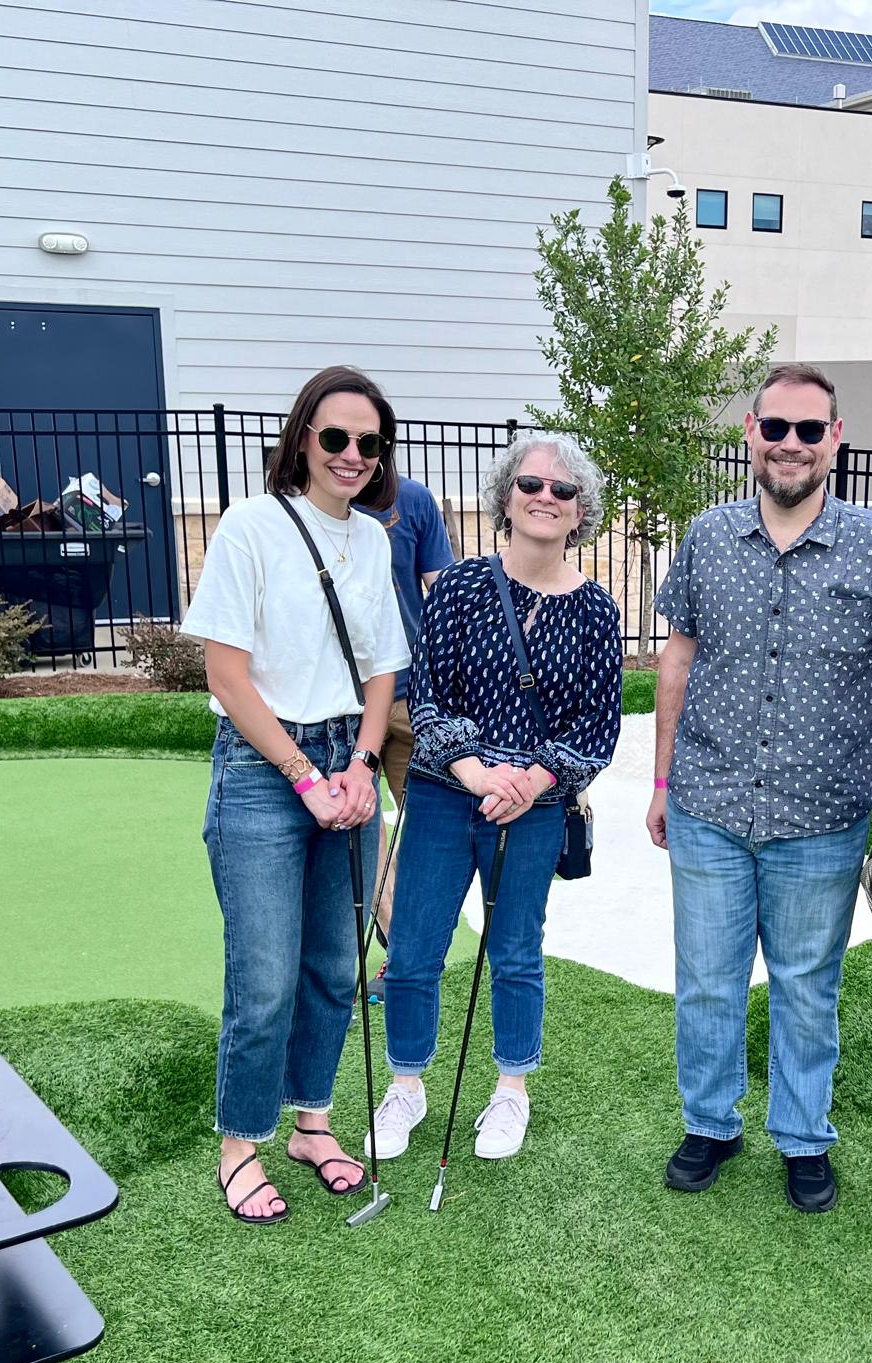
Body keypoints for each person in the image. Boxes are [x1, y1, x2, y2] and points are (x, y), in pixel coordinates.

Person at [648, 362, 872, 1213]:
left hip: (823, 816)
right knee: (706, 978)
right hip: (708, 803)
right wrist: (661, 780)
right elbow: (679, 660)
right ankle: (711, 1124)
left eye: (811, 430)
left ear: (836, 438)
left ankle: (804, 1138)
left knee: (809, 987)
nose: (793, 446)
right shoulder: (707, 537)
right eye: (777, 428)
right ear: (751, 434)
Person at [182, 366, 409, 1224]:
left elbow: (383, 668)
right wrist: (307, 777)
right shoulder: (251, 527)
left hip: (344, 757)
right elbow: (227, 675)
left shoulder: (377, 540)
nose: (352, 455)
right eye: (336, 437)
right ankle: (240, 1142)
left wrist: (355, 764)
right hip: (262, 766)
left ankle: (313, 1121)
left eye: (369, 443)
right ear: (303, 438)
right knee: (266, 972)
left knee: (330, 964)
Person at [372, 433, 622, 1162]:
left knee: (516, 952)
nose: (546, 498)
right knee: (416, 947)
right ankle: (407, 1086)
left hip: (537, 807)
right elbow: (428, 701)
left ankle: (512, 1090)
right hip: (448, 794)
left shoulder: (597, 612)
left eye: (563, 490)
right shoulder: (458, 587)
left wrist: (534, 780)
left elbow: (596, 727)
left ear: (582, 512)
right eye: (531, 485)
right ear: (505, 497)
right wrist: (479, 773)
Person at [361, 478, 455, 991]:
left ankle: (417, 948)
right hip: (342, 707)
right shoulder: (299, 506)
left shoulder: (413, 501)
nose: (352, 453)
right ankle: (399, 955)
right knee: (363, 832)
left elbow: (443, 590)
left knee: (427, 829)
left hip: (410, 697)